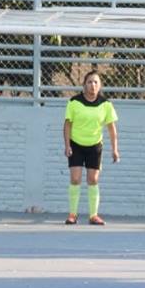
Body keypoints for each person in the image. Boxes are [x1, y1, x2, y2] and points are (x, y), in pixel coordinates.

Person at [63, 72, 120, 225]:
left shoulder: (106, 104)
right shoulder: (74, 102)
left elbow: (111, 129)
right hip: (76, 144)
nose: (92, 85)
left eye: (96, 82)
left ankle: (93, 215)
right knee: (75, 179)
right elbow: (67, 124)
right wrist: (67, 145)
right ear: (84, 85)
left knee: (93, 179)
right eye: (89, 82)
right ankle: (72, 214)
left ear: (100, 85)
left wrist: (114, 149)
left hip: (95, 146)